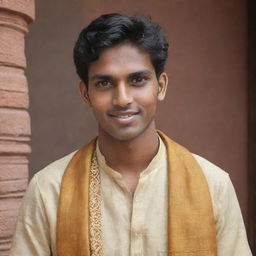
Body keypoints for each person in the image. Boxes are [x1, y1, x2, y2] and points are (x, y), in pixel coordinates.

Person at [10, 13, 252, 256]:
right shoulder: (50, 190)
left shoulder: (213, 186)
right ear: (85, 94)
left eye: (138, 80)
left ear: (161, 86)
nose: (123, 99)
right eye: (105, 83)